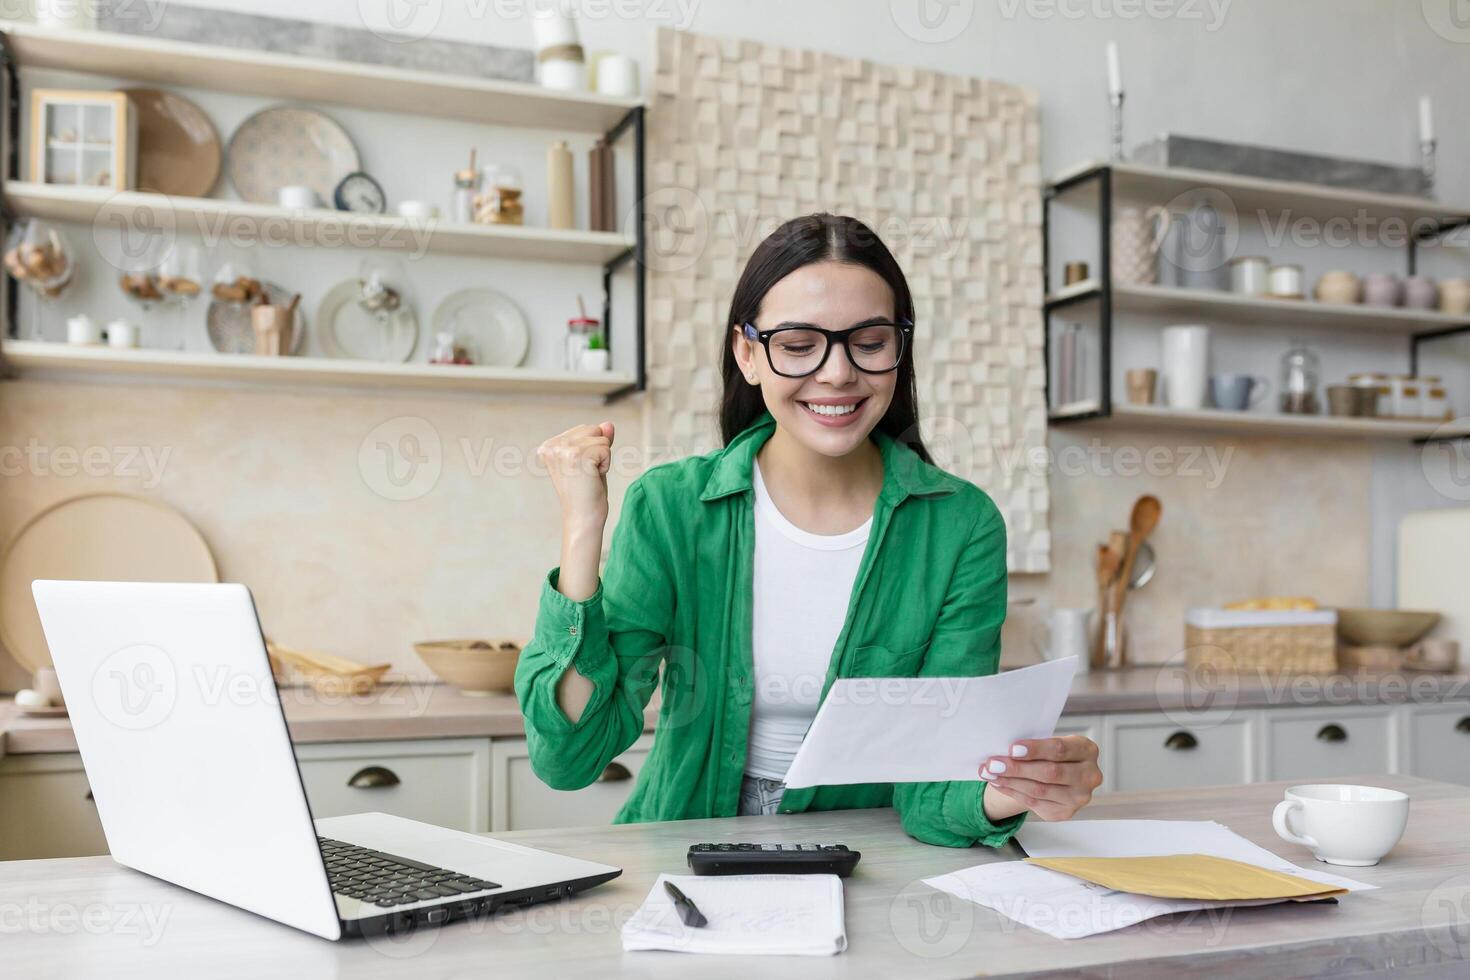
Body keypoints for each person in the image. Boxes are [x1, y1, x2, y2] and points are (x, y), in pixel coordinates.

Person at [516, 213, 1101, 847]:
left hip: (867, 856)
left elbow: (935, 787)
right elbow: (570, 756)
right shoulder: (670, 507)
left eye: (869, 342)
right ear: (748, 354)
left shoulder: (961, 526)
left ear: (899, 352)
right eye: (798, 344)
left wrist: (1013, 788)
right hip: (685, 849)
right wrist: (583, 529)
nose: (837, 373)